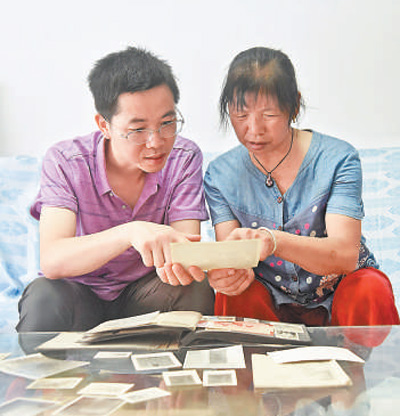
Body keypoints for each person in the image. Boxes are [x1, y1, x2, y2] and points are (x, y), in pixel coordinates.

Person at [16, 46, 214, 332]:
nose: (156, 142)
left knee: (193, 287)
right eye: (138, 129)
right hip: (80, 292)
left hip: (146, 293)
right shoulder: (66, 161)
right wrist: (129, 233)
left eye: (167, 123)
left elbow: (184, 251)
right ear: (104, 125)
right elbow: (53, 260)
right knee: (44, 297)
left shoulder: (183, 157)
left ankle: (170, 362)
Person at [204, 46, 399, 331]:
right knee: (234, 295)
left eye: (268, 114)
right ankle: (253, 361)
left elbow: (346, 254)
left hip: (339, 294)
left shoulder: (337, 159)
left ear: (294, 105)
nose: (254, 129)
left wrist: (274, 241)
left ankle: (366, 360)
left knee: (369, 287)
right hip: (270, 301)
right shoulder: (220, 175)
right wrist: (226, 275)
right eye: (240, 114)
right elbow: (232, 258)